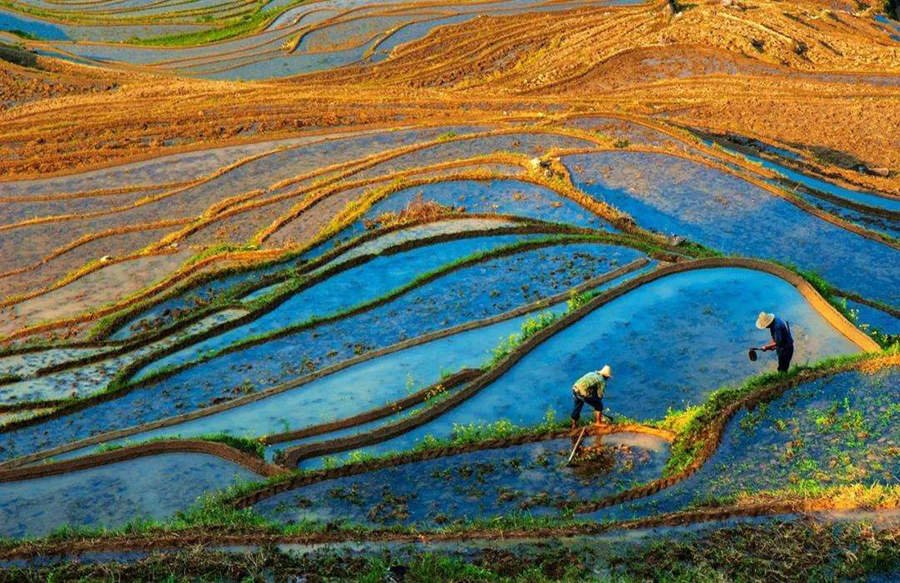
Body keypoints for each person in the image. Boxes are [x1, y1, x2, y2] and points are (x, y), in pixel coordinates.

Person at [570, 365, 611, 430]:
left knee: (578, 406)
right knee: (599, 404)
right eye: (608, 377)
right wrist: (597, 407)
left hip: (575, 388)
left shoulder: (592, 373)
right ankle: (598, 422)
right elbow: (600, 395)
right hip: (582, 392)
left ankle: (573, 425)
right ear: (606, 376)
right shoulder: (602, 381)